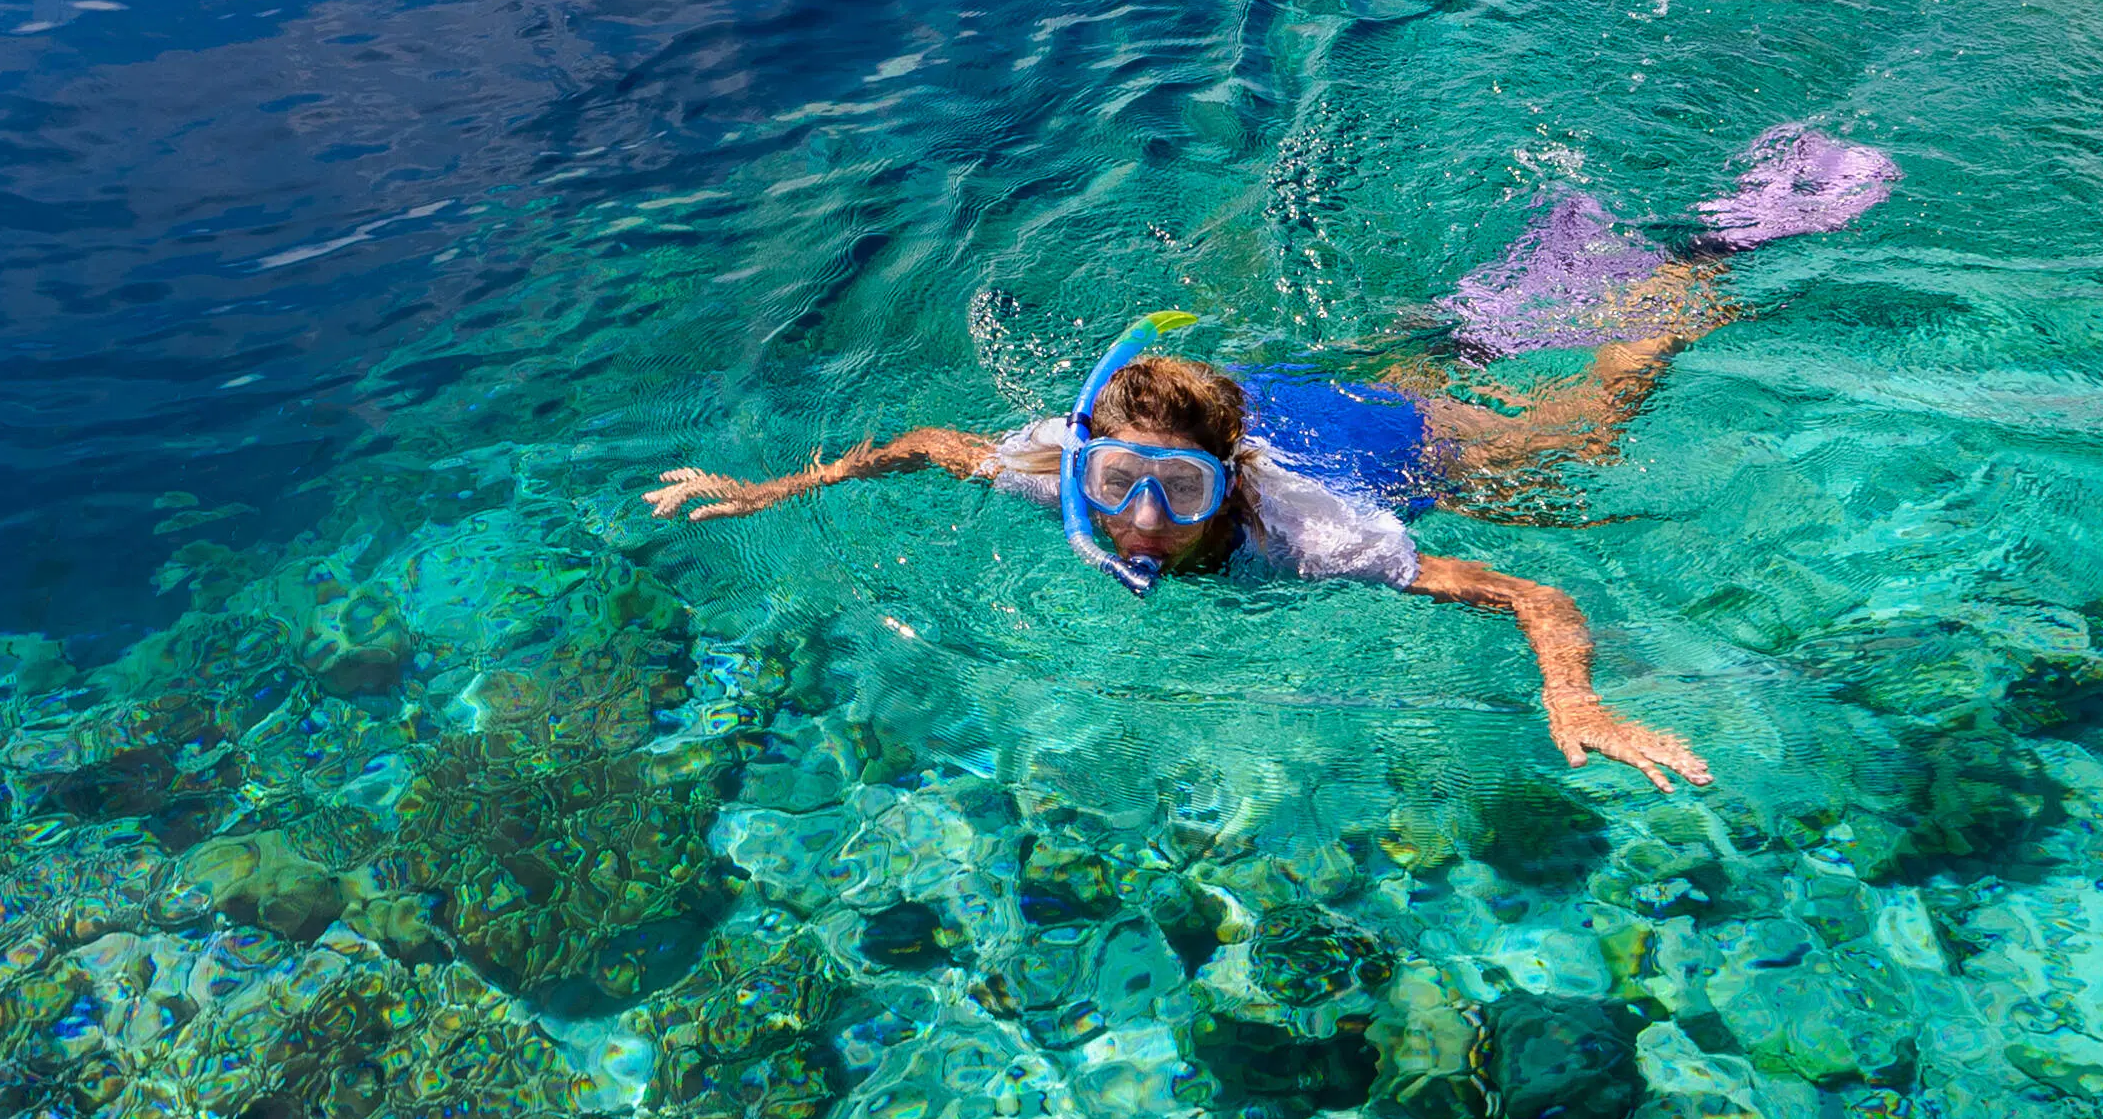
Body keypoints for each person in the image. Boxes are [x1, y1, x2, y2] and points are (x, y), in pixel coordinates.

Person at [638, 128, 1896, 797]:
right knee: (1437, 351)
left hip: (1393, 447)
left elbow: (1531, 593)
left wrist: (1572, 696)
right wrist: (776, 491)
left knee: (1577, 441)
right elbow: (922, 444)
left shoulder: (1314, 538)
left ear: (1223, 484)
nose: (1137, 520)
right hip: (1298, 400)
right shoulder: (1060, 470)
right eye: (1116, 485)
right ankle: (1475, 323)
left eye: (1174, 494)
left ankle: (1713, 254)